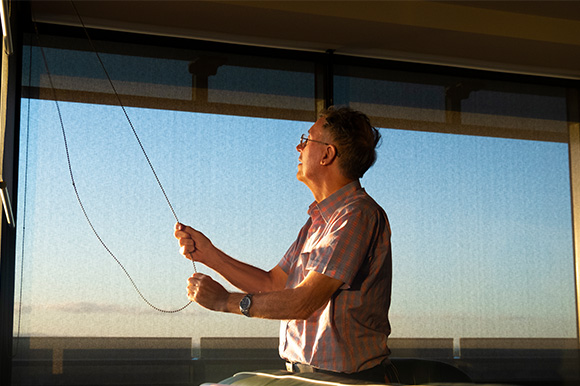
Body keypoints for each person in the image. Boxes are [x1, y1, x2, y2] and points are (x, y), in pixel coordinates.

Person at [174, 106, 393, 383]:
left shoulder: (357, 214)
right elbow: (274, 284)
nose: (299, 146)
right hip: (308, 377)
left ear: (327, 154)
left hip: (341, 381)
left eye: (308, 139)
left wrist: (223, 301)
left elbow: (304, 301)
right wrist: (210, 255)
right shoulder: (318, 222)